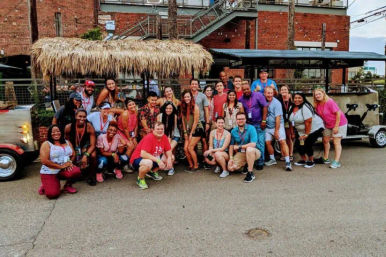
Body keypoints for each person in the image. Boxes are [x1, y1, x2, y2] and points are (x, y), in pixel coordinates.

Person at [38, 125, 81, 199]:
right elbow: (44, 161)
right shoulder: (47, 144)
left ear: (61, 132)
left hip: (63, 169)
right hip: (50, 171)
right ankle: (45, 184)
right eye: (53, 132)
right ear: (50, 133)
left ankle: (67, 185)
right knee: (52, 195)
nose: (56, 133)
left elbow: (73, 154)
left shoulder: (67, 142)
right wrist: (61, 166)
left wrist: (69, 163)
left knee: (76, 171)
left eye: (58, 131)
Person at [130, 122, 173, 190]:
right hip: (138, 158)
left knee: (171, 157)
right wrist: (158, 161)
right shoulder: (149, 137)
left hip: (152, 158)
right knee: (148, 163)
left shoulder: (164, 137)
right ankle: (140, 179)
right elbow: (143, 154)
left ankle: (152, 172)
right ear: (153, 130)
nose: (160, 131)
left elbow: (168, 150)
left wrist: (169, 159)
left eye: (162, 129)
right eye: (158, 129)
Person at [313, 88, 348, 168]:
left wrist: (336, 126)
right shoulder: (317, 104)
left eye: (319, 94)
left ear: (323, 94)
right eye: (316, 95)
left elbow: (338, 113)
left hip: (339, 123)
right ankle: (326, 158)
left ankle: (336, 161)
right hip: (328, 124)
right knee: (325, 140)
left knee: (336, 142)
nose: (318, 96)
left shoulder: (329, 102)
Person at [289, 93, 325, 168]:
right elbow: (291, 121)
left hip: (314, 128)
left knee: (308, 143)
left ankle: (311, 161)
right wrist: (292, 133)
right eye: (295, 98)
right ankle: (304, 160)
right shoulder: (291, 107)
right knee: (298, 145)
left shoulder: (305, 107)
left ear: (303, 99)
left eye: (299, 98)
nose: (297, 100)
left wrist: (306, 135)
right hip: (301, 130)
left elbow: (308, 122)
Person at [239, 80, 268, 170]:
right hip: (249, 125)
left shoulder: (258, 95)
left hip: (259, 123)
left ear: (250, 88)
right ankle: (251, 160)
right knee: (250, 144)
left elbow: (265, 106)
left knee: (260, 143)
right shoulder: (241, 99)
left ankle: (260, 162)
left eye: (247, 89)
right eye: (244, 90)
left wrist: (264, 121)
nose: (246, 91)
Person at [64, 108, 97, 186]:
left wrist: (86, 155)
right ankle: (72, 175)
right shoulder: (68, 127)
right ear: (75, 116)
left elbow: (93, 145)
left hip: (86, 147)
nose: (82, 119)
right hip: (73, 147)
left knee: (93, 155)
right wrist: (72, 151)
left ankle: (91, 176)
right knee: (69, 155)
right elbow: (66, 142)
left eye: (84, 117)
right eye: (80, 116)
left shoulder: (89, 127)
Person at [263, 87, 292, 171]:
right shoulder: (263, 101)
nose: (269, 95)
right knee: (267, 142)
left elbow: (278, 118)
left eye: (271, 93)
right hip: (268, 126)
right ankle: (272, 159)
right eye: (268, 93)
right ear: (264, 93)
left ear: (273, 93)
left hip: (278, 125)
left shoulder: (277, 103)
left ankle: (287, 162)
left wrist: (276, 131)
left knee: (282, 141)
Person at [228, 112, 261, 182]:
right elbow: (231, 145)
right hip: (242, 153)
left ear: (245, 119)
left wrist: (239, 146)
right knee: (230, 168)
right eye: (239, 119)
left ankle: (250, 173)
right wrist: (231, 158)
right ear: (236, 120)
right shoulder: (233, 131)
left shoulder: (251, 128)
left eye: (242, 119)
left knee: (249, 149)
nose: (240, 121)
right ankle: (245, 165)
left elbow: (253, 144)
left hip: (254, 152)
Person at [181, 90, 204, 171]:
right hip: (188, 130)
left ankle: (196, 165)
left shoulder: (195, 107)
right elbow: (183, 121)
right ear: (183, 98)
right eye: (185, 97)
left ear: (191, 97)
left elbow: (195, 121)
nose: (187, 98)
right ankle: (191, 165)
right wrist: (185, 132)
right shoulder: (183, 107)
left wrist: (191, 134)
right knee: (185, 149)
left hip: (197, 129)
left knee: (190, 148)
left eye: (188, 96)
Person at [157, 101, 180, 175]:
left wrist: (168, 139)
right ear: (164, 108)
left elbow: (174, 130)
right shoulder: (160, 116)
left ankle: (171, 167)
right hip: (162, 136)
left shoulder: (175, 116)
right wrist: (165, 139)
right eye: (167, 108)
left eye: (170, 108)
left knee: (169, 148)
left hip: (174, 136)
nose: (168, 110)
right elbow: (158, 129)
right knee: (167, 150)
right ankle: (168, 165)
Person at [190, 79, 210, 162]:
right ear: (190, 85)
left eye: (196, 84)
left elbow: (206, 109)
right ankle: (195, 158)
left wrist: (207, 122)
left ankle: (205, 159)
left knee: (204, 140)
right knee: (192, 140)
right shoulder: (188, 95)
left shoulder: (202, 96)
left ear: (198, 86)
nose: (194, 85)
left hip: (201, 121)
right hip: (190, 121)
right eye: (192, 84)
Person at [277, 85, 294, 161]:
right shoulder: (278, 99)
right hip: (281, 121)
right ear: (280, 92)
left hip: (290, 121)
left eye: (285, 89)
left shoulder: (292, 99)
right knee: (282, 138)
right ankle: (283, 154)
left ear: (288, 91)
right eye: (282, 90)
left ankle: (290, 154)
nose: (284, 91)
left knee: (289, 137)